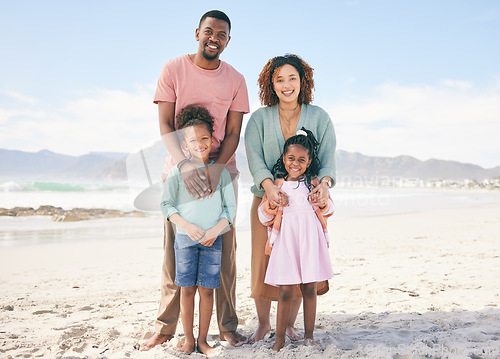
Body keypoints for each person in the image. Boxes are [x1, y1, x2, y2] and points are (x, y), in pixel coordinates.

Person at [141, 10, 249, 351]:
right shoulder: (173, 68)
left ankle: (228, 326)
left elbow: (233, 133)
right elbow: (165, 126)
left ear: (228, 41)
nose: (213, 37)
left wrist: (216, 169)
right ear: (197, 33)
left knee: (224, 255)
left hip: (222, 173)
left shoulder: (235, 79)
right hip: (179, 173)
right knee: (175, 254)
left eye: (221, 33)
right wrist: (186, 166)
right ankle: (165, 327)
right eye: (208, 31)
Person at [244, 54, 336, 343]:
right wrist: (270, 187)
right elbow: (254, 157)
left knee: (300, 263)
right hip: (267, 203)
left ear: (302, 81)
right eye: (279, 79)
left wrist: (324, 184)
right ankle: (262, 324)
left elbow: (328, 157)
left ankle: (288, 325)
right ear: (271, 84)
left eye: (292, 78)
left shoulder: (319, 116)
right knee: (263, 261)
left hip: (306, 206)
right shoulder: (259, 118)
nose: (286, 85)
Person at [161, 105, 236, 355]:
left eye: (205, 138)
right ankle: (189, 340)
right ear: (184, 144)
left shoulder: (220, 173)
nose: (200, 143)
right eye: (193, 139)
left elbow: (229, 210)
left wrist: (214, 231)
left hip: (212, 241)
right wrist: (186, 226)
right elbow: (166, 205)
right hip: (185, 239)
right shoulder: (176, 173)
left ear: (213, 139)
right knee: (187, 290)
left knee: (206, 291)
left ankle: (203, 341)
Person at [258, 128, 334, 351]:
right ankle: (279, 339)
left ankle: (309, 336)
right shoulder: (277, 185)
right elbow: (263, 216)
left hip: (310, 240)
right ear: (284, 158)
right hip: (286, 243)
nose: (296, 163)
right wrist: (272, 205)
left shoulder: (314, 184)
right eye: (291, 158)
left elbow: (330, 209)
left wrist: (323, 202)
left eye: (302, 159)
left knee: (309, 288)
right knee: (286, 291)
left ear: (309, 162)